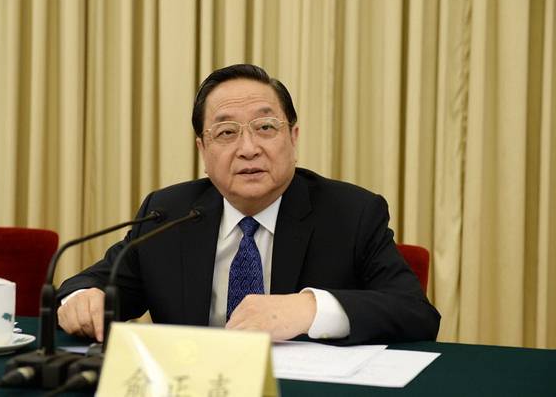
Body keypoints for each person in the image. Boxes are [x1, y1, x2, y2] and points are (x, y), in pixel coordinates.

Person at [57, 64, 440, 345]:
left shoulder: (351, 213)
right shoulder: (169, 213)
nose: (248, 148)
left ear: (293, 138)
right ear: (203, 150)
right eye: (226, 132)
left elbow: (416, 313)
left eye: (265, 128)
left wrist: (309, 309)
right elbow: (93, 284)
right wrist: (83, 299)